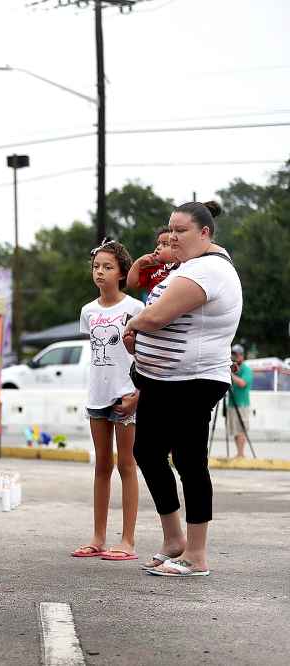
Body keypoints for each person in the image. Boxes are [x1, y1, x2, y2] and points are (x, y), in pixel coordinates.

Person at [122, 201, 242, 578]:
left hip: (193, 381)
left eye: (182, 230)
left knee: (189, 461)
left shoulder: (210, 269)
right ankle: (174, 541)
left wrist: (134, 326)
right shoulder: (188, 267)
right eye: (171, 228)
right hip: (163, 381)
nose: (173, 236)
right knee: (148, 451)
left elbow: (157, 316)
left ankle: (197, 555)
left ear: (204, 233)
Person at [72, 240, 144, 561]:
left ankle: (127, 540)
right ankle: (98, 537)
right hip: (96, 395)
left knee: (127, 465)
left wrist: (138, 394)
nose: (100, 272)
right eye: (96, 267)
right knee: (102, 465)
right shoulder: (88, 311)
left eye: (107, 267)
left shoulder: (135, 309)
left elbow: (143, 355)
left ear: (121, 273)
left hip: (126, 394)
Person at [126, 226, 180, 297]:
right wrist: (137, 264)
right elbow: (131, 285)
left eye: (165, 244)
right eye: (158, 243)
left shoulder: (184, 266)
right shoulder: (154, 268)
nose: (158, 247)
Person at [227, 344, 253, 458]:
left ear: (242, 355)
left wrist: (230, 375)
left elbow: (242, 383)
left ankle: (241, 454)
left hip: (242, 404)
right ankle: (238, 453)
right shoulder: (232, 368)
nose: (235, 356)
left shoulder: (246, 369)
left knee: (241, 429)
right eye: (233, 354)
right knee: (235, 430)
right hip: (232, 403)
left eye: (237, 354)